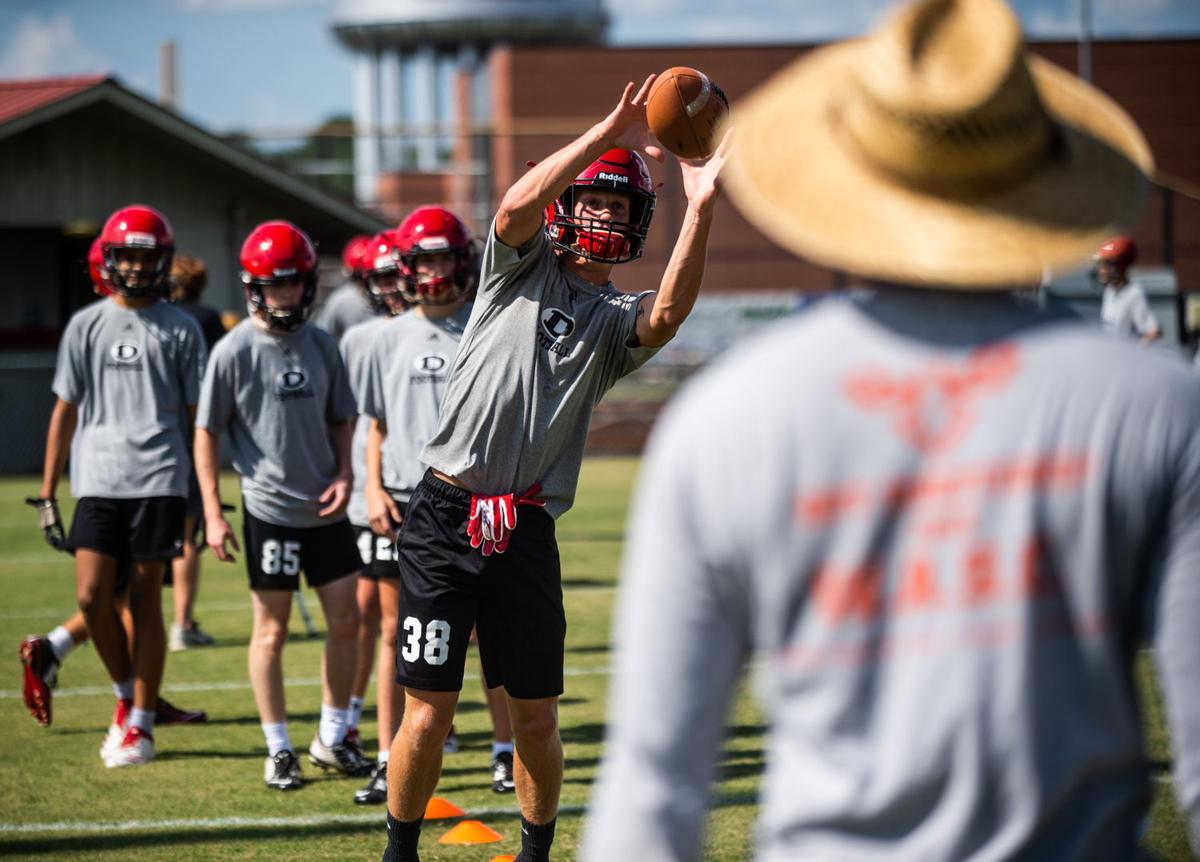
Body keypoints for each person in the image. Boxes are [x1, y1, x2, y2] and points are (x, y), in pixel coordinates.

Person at [582, 0, 1200, 859]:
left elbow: (650, 792)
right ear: (1038, 171)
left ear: (850, 171)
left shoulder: (729, 415)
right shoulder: (1162, 404)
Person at [380, 76, 728, 862]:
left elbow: (667, 314)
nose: (602, 214)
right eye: (593, 200)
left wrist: (701, 208)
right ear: (572, 204)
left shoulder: (610, 325)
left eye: (617, 205)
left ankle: (537, 853)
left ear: (638, 222)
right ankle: (398, 851)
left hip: (526, 527)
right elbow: (511, 209)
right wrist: (606, 131)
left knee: (535, 719)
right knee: (427, 715)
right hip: (442, 515)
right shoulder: (517, 270)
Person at [194, 220, 371, 791]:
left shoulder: (323, 343)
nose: (286, 296)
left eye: (294, 284)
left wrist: (345, 473)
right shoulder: (232, 350)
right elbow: (206, 433)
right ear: (253, 287)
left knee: (348, 621)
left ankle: (332, 734)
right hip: (268, 510)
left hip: (326, 508)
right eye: (275, 286)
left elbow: (342, 418)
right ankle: (278, 748)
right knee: (270, 632)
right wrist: (215, 512)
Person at [32, 205, 206, 767]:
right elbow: (65, 409)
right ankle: (126, 695)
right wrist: (49, 490)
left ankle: (142, 723)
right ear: (109, 259)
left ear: (161, 260)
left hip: (159, 477)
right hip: (98, 479)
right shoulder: (84, 325)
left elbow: (197, 418)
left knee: (146, 597)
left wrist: (202, 493)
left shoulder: (180, 327)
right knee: (92, 595)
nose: (134, 265)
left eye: (145, 255)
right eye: (126, 254)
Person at [354, 207, 516, 807]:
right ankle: (385, 755)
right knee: (396, 636)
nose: (433, 270)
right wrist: (370, 489)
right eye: (422, 259)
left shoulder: (484, 324)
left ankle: (504, 752)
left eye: (442, 257)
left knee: (481, 633)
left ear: (463, 261)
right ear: (405, 264)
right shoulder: (386, 336)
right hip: (401, 499)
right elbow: (375, 426)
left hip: (468, 498)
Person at [338, 229, 410, 766]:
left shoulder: (435, 328)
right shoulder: (359, 338)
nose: (390, 286)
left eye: (395, 273)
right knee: (368, 611)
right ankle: (351, 717)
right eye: (380, 276)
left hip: (420, 487)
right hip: (372, 488)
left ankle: (426, 714)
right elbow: (352, 420)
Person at [167, 253, 225, 651]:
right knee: (187, 535)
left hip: (161, 436)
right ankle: (182, 623)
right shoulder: (206, 319)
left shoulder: (159, 317)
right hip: (192, 437)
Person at [1096, 236, 1161, 344]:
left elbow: (1153, 331)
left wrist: (1134, 354)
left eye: (1106, 264)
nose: (1101, 270)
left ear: (1119, 266)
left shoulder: (1134, 293)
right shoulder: (1109, 291)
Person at [313, 234, 376, 342]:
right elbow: (323, 335)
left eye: (368, 277)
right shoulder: (341, 300)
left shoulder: (389, 299)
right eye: (357, 277)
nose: (362, 283)